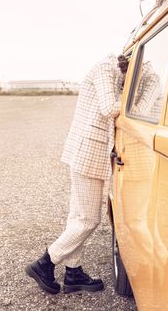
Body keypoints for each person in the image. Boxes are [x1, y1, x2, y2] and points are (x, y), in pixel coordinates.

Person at [25, 53, 129, 294]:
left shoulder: (111, 70)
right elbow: (109, 108)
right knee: (88, 219)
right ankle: (45, 263)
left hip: (85, 151)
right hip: (88, 153)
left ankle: (73, 273)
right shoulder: (106, 67)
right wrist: (131, 99)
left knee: (77, 216)